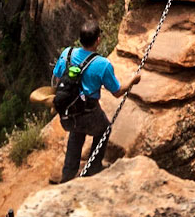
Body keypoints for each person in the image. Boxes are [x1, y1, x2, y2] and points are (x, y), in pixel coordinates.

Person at [52, 19, 134, 182]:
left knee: (76, 133)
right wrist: (133, 80)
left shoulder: (67, 53)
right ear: (98, 40)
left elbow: (56, 79)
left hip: (68, 112)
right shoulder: (102, 65)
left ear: (80, 39)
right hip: (88, 112)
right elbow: (117, 92)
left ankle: (68, 175)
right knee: (104, 129)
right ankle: (94, 167)